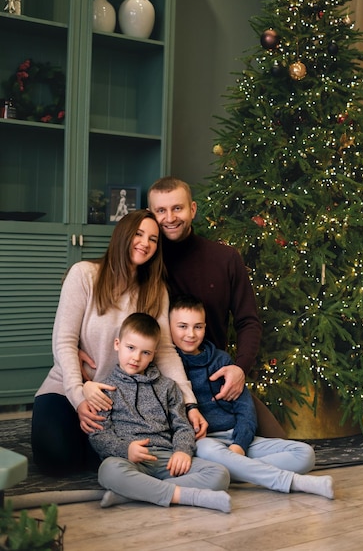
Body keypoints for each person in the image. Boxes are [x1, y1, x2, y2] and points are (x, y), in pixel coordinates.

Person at [31, 209, 205, 476]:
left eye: (153, 239)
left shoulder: (155, 289)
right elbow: (64, 342)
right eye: (138, 234)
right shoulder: (85, 275)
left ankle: (113, 451)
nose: (145, 243)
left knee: (95, 456)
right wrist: (80, 395)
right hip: (71, 387)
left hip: (122, 397)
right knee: (56, 460)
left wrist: (189, 404)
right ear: (123, 234)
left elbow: (166, 352)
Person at [147, 176, 287, 438]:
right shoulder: (145, 259)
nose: (170, 218)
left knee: (278, 439)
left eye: (177, 208)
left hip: (213, 377)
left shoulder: (225, 259)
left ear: (193, 209)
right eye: (160, 210)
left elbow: (248, 321)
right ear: (151, 214)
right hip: (161, 378)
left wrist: (239, 369)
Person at [169, 295, 334, 500]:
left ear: (205, 327)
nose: (190, 334)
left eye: (198, 327)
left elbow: (245, 407)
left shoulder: (221, 360)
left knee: (305, 455)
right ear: (168, 327)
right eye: (182, 326)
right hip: (206, 442)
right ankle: (290, 481)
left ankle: (235, 471)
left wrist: (239, 444)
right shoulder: (171, 368)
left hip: (237, 438)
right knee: (209, 453)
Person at [89, 312, 231, 513]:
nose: (136, 357)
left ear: (154, 354)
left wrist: (182, 450)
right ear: (117, 344)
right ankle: (184, 495)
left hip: (167, 459)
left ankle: (132, 493)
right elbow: (99, 434)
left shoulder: (167, 387)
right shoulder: (105, 390)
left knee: (219, 473)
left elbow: (182, 425)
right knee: (108, 471)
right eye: (131, 348)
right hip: (129, 460)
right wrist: (125, 450)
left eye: (145, 352)